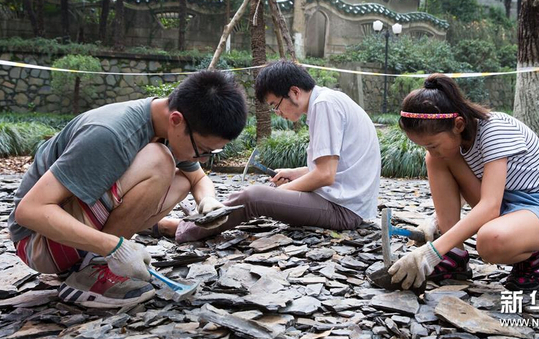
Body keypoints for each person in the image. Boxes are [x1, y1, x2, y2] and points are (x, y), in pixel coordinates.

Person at [8, 70, 247, 308]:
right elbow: (29, 211)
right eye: (203, 150)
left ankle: (94, 262)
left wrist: (208, 201)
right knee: (160, 160)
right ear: (176, 120)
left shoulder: (164, 125)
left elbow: (197, 179)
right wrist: (114, 248)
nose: (203, 159)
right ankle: (92, 271)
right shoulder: (111, 133)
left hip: (66, 234)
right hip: (37, 242)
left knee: (183, 179)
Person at [387, 74, 539, 291]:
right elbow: (478, 191)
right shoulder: (457, 143)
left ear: (458, 124)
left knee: (490, 241)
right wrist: (435, 220)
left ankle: (534, 257)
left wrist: (430, 252)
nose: (430, 150)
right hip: (505, 204)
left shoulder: (494, 130)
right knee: (436, 159)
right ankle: (455, 257)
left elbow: (490, 206)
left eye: (432, 144)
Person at [158, 59, 381, 243]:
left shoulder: (324, 105)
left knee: (255, 196)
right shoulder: (328, 101)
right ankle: (204, 217)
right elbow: (334, 167)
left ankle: (183, 229)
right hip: (348, 203)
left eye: (275, 104)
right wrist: (296, 172)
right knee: (262, 194)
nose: (277, 112)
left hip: (343, 209)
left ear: (294, 92)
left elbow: (325, 174)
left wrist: (279, 194)